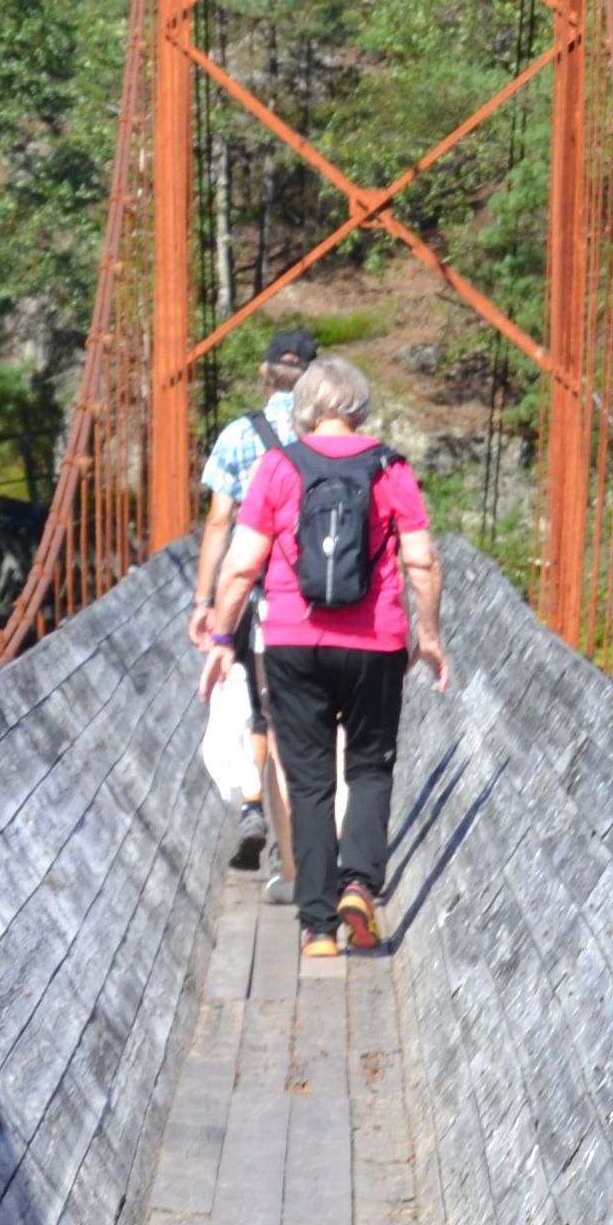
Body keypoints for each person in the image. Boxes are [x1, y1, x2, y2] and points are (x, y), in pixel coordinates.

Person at [200, 353, 450, 959]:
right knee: (368, 767)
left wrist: (221, 642)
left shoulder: (278, 466)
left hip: (291, 641)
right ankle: (359, 883)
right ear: (360, 410)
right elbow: (421, 561)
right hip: (376, 642)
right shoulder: (390, 468)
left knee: (308, 779)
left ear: (304, 410)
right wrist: (432, 635)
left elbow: (239, 567)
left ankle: (317, 928)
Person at [197, 329, 321, 888]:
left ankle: (255, 807)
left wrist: (206, 601)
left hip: (251, 591)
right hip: (317, 595)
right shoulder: (331, 433)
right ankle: (302, 849)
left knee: (252, 699)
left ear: (265, 375)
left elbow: (220, 522)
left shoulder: (238, 435)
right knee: (305, 720)